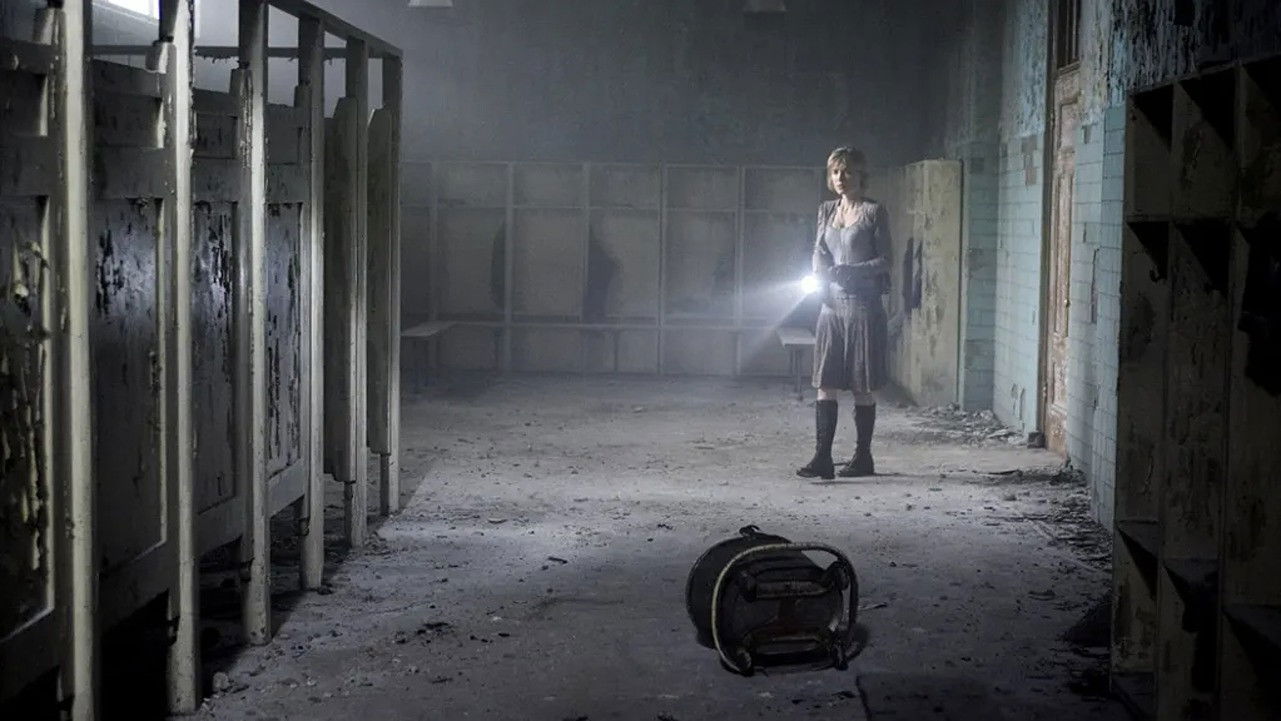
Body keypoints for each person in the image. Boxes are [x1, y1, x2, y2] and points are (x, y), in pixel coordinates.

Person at [796, 146, 890, 480]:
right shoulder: (826, 210)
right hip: (831, 306)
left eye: (847, 171)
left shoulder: (873, 212)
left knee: (861, 384)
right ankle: (822, 457)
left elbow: (886, 260)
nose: (840, 178)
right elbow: (818, 250)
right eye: (835, 172)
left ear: (860, 174)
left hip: (863, 305)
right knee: (826, 380)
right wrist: (819, 273)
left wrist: (852, 271)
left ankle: (863, 457)